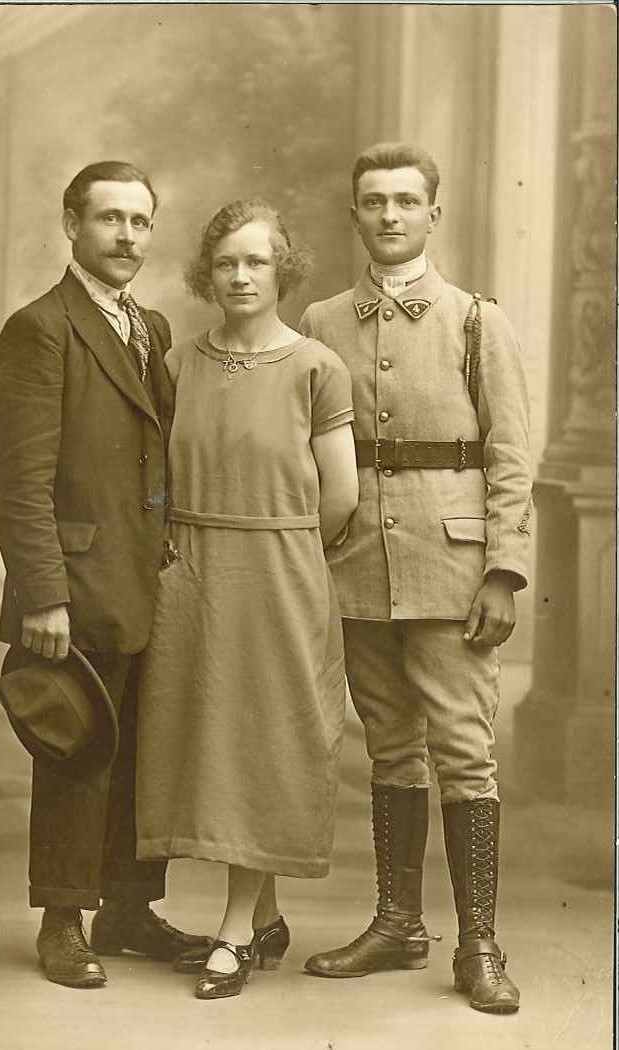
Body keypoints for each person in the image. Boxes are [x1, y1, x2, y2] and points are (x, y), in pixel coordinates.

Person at [299, 143, 531, 1014]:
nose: (389, 215)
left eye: (405, 201)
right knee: (389, 749)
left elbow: (508, 452)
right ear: (353, 214)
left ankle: (479, 943)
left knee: (465, 754)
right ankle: (397, 921)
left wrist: (504, 570)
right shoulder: (321, 322)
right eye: (372, 201)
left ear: (434, 213)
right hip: (358, 564)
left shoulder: (475, 321)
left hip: (453, 565)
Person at [0, 161, 210, 988]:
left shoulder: (145, 323)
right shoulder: (42, 327)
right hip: (74, 585)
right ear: (72, 224)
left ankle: (128, 910)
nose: (126, 237)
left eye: (140, 222)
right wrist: (43, 592)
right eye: (109, 219)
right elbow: (14, 478)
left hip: (146, 579)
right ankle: (63, 921)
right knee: (78, 749)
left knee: (139, 751)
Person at [135, 198, 359, 1000]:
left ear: (282, 270)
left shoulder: (314, 367)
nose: (239, 275)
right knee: (214, 745)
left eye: (255, 261)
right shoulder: (176, 364)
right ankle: (260, 918)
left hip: (278, 571)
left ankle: (233, 931)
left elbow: (340, 496)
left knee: (264, 745)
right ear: (207, 272)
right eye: (226, 262)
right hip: (191, 574)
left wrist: (283, 547)